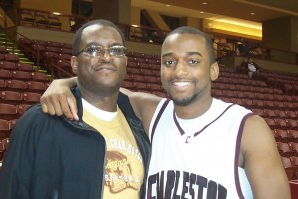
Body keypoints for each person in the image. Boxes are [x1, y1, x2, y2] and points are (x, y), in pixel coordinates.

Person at [40, 26, 290, 198]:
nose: (179, 71)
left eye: (193, 61)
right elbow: (102, 85)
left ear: (214, 70)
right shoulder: (154, 114)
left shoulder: (247, 129)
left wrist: (64, 83)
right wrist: (62, 83)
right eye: (169, 62)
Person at [0, 19, 151, 199]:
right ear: (74, 63)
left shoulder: (140, 128)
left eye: (116, 50)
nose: (107, 57)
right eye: (93, 50)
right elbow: (12, 191)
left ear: (125, 62)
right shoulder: (39, 121)